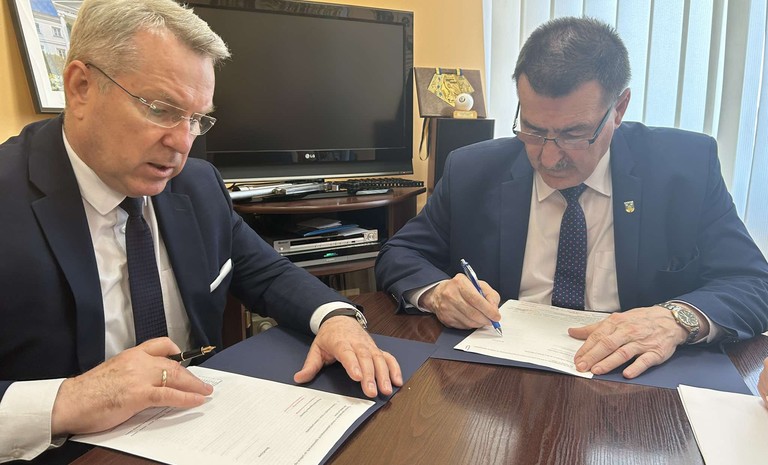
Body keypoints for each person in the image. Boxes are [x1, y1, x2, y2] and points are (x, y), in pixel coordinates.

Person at [0, 0, 401, 462]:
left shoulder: (199, 183)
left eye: (196, 118)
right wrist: (69, 400)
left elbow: (267, 274)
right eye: (160, 109)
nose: (182, 143)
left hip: (207, 432)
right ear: (81, 87)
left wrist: (336, 319)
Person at [376, 17, 768, 381]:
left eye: (574, 134)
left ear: (619, 109)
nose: (549, 158)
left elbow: (751, 282)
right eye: (533, 129)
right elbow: (400, 253)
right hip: (499, 372)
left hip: (635, 378)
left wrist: (674, 320)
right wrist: (438, 293)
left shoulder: (684, 168)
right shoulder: (472, 169)